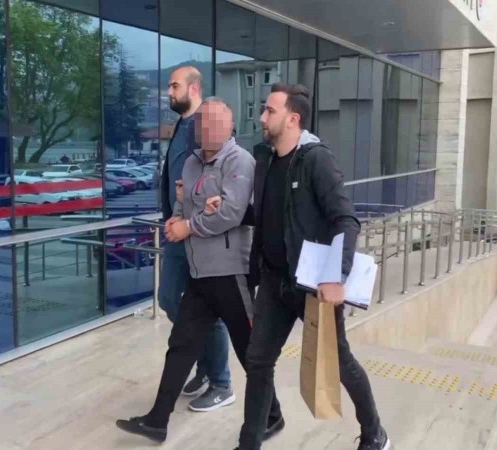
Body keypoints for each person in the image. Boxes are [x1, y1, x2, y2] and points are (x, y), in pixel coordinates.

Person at [115, 98, 285, 444]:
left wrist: (188, 227)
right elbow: (187, 204)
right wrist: (177, 216)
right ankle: (157, 421)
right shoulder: (192, 163)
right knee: (180, 345)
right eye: (201, 122)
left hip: (231, 274)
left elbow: (232, 213)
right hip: (199, 274)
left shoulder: (240, 161)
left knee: (251, 353)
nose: (206, 128)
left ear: (229, 126)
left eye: (214, 122)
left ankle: (272, 416)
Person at [235, 84, 390, 450]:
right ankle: (248, 444)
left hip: (313, 287)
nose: (262, 117)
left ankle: (375, 433)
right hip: (274, 282)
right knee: (258, 362)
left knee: (339, 362)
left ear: (293, 119)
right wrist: (230, 210)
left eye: (269, 111)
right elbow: (271, 215)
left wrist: (337, 277)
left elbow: (345, 219)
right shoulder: (265, 158)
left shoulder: (316, 160)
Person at [157, 66, 233, 410]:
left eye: (174, 86)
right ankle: (205, 365)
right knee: (169, 298)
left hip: (200, 233)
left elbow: (221, 179)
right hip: (176, 230)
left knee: (207, 309)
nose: (169, 92)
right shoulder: (182, 125)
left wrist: (196, 219)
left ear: (193, 88)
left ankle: (221, 383)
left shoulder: (207, 126)